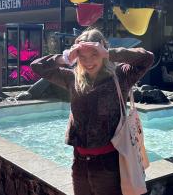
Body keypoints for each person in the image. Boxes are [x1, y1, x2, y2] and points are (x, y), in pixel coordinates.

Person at [31, 28, 154, 195]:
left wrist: (109, 53)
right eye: (82, 56)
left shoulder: (121, 76)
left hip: (109, 165)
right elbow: (37, 66)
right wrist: (64, 57)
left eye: (94, 55)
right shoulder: (72, 78)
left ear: (103, 52)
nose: (88, 62)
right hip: (80, 163)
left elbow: (147, 58)